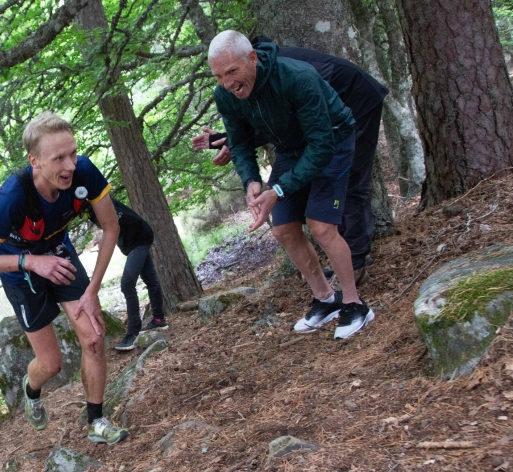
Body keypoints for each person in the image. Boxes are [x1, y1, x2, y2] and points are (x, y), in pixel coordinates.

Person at [0, 112, 129, 445]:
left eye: (73, 153)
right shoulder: (12, 197)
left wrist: (92, 290)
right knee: (50, 364)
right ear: (34, 161)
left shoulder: (85, 173)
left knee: (93, 337)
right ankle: (31, 390)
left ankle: (96, 420)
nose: (69, 165)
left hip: (58, 255)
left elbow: (111, 227)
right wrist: (32, 262)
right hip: (21, 272)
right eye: (59, 158)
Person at [205, 30, 375, 339]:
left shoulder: (296, 77)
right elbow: (240, 144)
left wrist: (279, 190)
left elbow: (322, 146)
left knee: (321, 226)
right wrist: (252, 182)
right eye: (219, 76)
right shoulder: (225, 96)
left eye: (232, 71)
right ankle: (326, 299)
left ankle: (355, 303)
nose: (227, 83)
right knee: (283, 229)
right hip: (292, 149)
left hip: (332, 140)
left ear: (252, 59)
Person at [83, 198, 168, 351]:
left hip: (140, 239)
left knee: (127, 284)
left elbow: (116, 222)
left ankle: (133, 333)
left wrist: (107, 238)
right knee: (151, 281)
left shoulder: (98, 201)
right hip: (133, 241)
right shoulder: (89, 209)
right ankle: (159, 319)